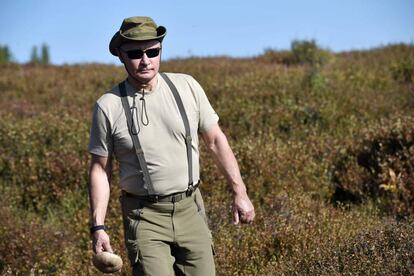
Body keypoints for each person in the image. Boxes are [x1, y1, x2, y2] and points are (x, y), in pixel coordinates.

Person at [88, 16, 255, 275]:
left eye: (153, 51)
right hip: (144, 216)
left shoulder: (187, 86)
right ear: (121, 55)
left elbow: (215, 140)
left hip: (191, 209)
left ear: (160, 51)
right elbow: (100, 170)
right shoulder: (108, 106)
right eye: (135, 53)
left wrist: (240, 192)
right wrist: (98, 227)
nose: (145, 60)